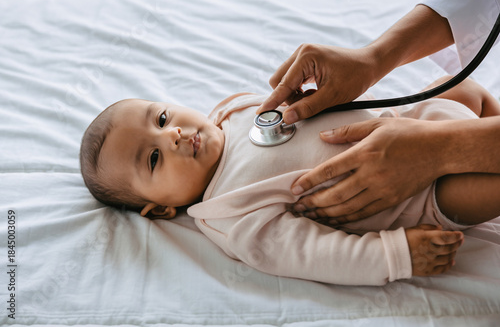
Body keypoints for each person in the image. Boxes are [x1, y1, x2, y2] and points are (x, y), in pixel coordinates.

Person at [79, 78, 500, 286]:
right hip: (418, 195)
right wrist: (393, 256)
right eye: (153, 158)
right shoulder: (226, 212)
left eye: (162, 118)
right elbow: (312, 253)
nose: (170, 136)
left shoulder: (236, 110)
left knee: (468, 91)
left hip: (405, 125)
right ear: (161, 209)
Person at [257, 0, 500, 224]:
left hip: (418, 136)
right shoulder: (221, 206)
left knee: (463, 92)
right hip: (424, 176)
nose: (187, 132)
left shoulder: (227, 117)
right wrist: (372, 59)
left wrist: (438, 150)